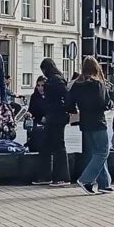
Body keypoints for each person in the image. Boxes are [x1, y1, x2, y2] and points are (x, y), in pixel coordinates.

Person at [68, 56, 114, 195]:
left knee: (96, 153)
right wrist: (110, 103)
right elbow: (104, 103)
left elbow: (69, 103)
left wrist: (75, 109)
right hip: (98, 121)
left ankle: (104, 184)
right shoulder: (98, 83)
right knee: (103, 152)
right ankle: (86, 180)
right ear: (96, 68)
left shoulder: (77, 83)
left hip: (85, 122)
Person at [36, 59, 72, 188]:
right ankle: (48, 176)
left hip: (55, 116)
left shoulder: (54, 80)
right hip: (57, 115)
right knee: (50, 144)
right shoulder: (58, 79)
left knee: (57, 145)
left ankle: (61, 177)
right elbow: (66, 97)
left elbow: (64, 97)